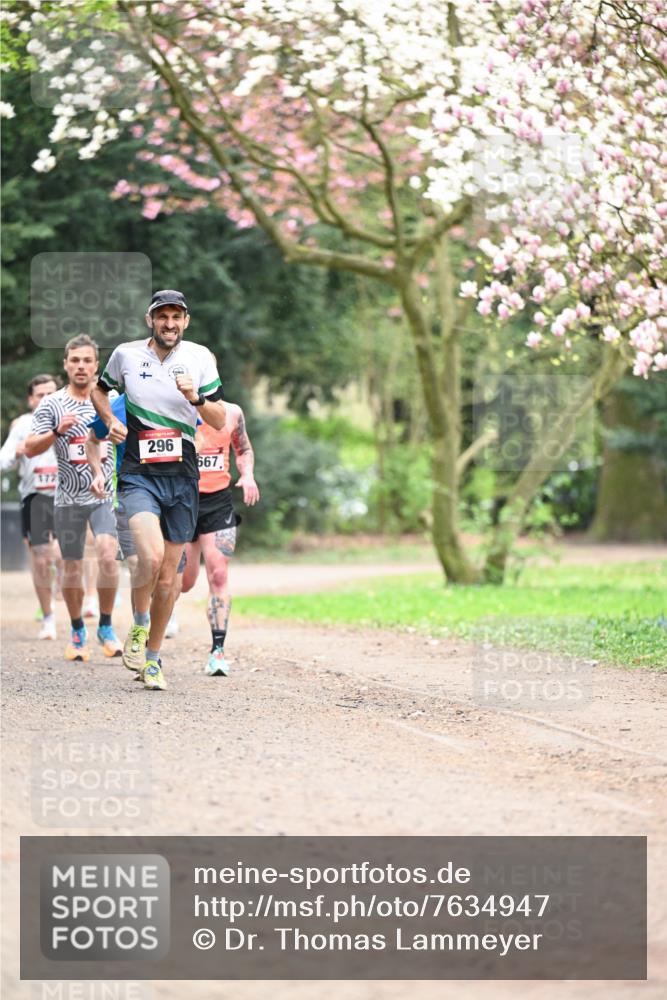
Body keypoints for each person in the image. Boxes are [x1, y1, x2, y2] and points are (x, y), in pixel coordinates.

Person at [91, 289, 225, 691]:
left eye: (176, 317)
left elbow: (218, 418)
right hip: (138, 473)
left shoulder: (200, 357)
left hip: (182, 476)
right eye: (162, 316)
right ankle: (139, 624)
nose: (169, 324)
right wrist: (111, 422)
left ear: (186, 321)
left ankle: (152, 659)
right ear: (151, 319)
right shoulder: (127, 355)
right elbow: (101, 390)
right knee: (147, 557)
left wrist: (195, 397)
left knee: (169, 581)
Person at [24, 335, 121, 662]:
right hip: (67, 499)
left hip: (104, 495)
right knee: (72, 567)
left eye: (87, 361)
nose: (81, 366)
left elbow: (128, 435)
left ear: (96, 365)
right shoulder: (52, 404)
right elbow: (29, 447)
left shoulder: (112, 399)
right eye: (75, 360)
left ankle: (106, 626)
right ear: (66, 365)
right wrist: (56, 432)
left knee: (108, 555)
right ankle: (78, 629)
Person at [176, 402, 259, 675]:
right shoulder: (174, 408)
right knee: (182, 582)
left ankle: (218, 651)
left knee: (219, 575)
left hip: (219, 502)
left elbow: (243, 448)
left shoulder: (232, 413)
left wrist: (247, 475)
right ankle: (153, 626)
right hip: (183, 501)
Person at [0, 374, 61, 639]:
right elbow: (3, 460)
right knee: (41, 558)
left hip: (67, 495)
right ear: (30, 400)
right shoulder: (24, 425)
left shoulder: (71, 418)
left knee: (62, 555)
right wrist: (18, 451)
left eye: (51, 394)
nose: (46, 399)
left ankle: (75, 604)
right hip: (35, 497)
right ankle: (48, 617)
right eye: (40, 395)